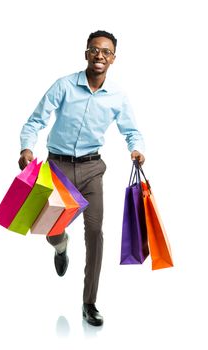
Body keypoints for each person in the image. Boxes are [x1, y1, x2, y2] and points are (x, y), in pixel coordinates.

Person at [18, 30, 145, 327]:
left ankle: (89, 302)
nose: (100, 55)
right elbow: (36, 120)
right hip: (58, 170)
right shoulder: (64, 86)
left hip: (92, 170)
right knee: (50, 228)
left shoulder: (117, 97)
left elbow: (131, 131)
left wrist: (136, 149)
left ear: (113, 58)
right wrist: (26, 147)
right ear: (86, 53)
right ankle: (61, 246)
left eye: (106, 52)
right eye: (94, 50)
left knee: (95, 233)